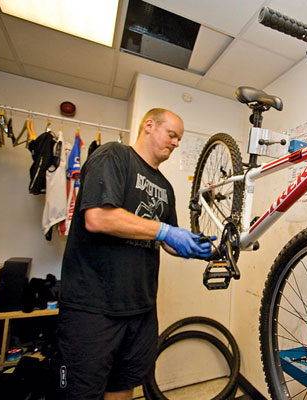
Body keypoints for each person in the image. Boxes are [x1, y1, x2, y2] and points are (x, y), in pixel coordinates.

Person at [56, 108, 212, 400]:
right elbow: (99, 218)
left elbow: (166, 241)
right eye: (172, 135)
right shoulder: (113, 156)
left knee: (123, 387)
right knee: (81, 392)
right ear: (149, 126)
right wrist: (165, 231)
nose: (176, 143)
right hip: (93, 309)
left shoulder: (165, 187)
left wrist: (193, 247)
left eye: (179, 139)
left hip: (140, 309)